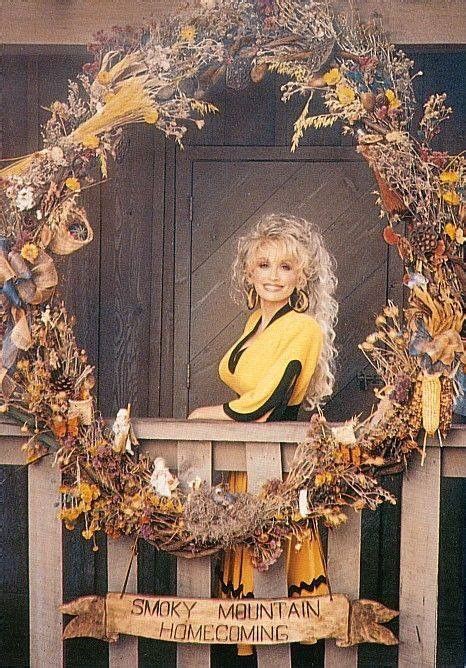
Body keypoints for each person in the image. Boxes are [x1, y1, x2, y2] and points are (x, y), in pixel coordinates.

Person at [188, 213, 338, 655]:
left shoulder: (303, 328)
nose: (274, 276)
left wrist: (201, 415)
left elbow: (263, 407)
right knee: (245, 589)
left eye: (286, 267)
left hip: (276, 468)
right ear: (248, 272)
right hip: (243, 465)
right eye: (264, 264)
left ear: (302, 275)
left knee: (278, 589)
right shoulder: (256, 321)